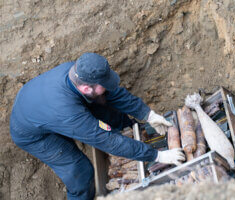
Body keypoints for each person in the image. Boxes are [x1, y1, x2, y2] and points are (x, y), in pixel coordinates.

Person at [10, 52, 185, 200]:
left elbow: (113, 94)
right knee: (80, 171)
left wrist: (147, 114)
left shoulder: (80, 71)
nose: (108, 86)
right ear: (86, 88)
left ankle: (128, 128)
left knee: (102, 101)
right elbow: (108, 142)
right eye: (104, 84)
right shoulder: (68, 112)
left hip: (42, 107)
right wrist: (157, 156)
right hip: (34, 135)